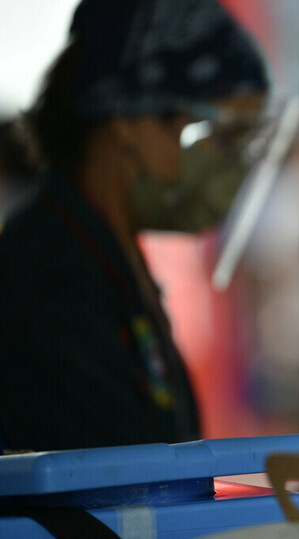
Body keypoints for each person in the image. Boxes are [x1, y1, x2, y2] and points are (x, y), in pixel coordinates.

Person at [0, 0, 270, 452]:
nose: (235, 167)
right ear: (130, 121)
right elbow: (113, 498)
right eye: (223, 139)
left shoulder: (104, 257)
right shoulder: (50, 278)